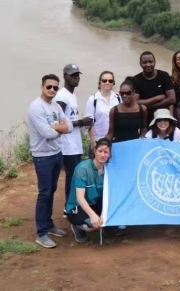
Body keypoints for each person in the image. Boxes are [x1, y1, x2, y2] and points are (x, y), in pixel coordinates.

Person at [27, 74, 74, 249]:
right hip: (42, 156)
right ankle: (41, 233)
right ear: (42, 87)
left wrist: (56, 128)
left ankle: (48, 224)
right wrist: (57, 128)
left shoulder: (55, 106)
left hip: (56, 153)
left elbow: (68, 126)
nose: (52, 90)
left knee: (52, 190)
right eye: (49, 87)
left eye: (55, 87)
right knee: (44, 192)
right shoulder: (36, 108)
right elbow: (47, 134)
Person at [54, 64, 94, 203]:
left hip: (74, 143)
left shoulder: (71, 95)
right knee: (72, 178)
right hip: (67, 145)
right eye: (72, 75)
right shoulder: (62, 96)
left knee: (73, 177)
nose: (76, 78)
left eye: (77, 75)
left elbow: (69, 119)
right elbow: (57, 123)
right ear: (65, 76)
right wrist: (82, 122)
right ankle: (71, 208)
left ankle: (71, 206)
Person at [65, 138, 112, 242]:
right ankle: (77, 227)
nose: (103, 155)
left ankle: (102, 224)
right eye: (100, 151)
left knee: (110, 222)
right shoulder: (83, 168)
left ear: (109, 154)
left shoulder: (109, 169)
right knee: (94, 224)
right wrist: (93, 216)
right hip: (78, 205)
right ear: (94, 151)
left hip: (95, 203)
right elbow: (80, 198)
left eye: (106, 152)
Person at [133, 51, 176, 118]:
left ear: (155, 62)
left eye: (150, 62)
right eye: (144, 62)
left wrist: (149, 106)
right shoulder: (135, 80)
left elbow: (172, 99)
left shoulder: (164, 76)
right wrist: (158, 98)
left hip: (163, 115)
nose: (148, 65)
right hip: (144, 116)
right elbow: (134, 102)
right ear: (140, 64)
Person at [86, 70, 121, 153]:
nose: (107, 83)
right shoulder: (93, 99)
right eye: (104, 80)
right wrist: (93, 142)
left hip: (116, 141)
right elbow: (89, 123)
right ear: (100, 83)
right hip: (99, 141)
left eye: (110, 81)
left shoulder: (118, 98)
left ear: (113, 83)